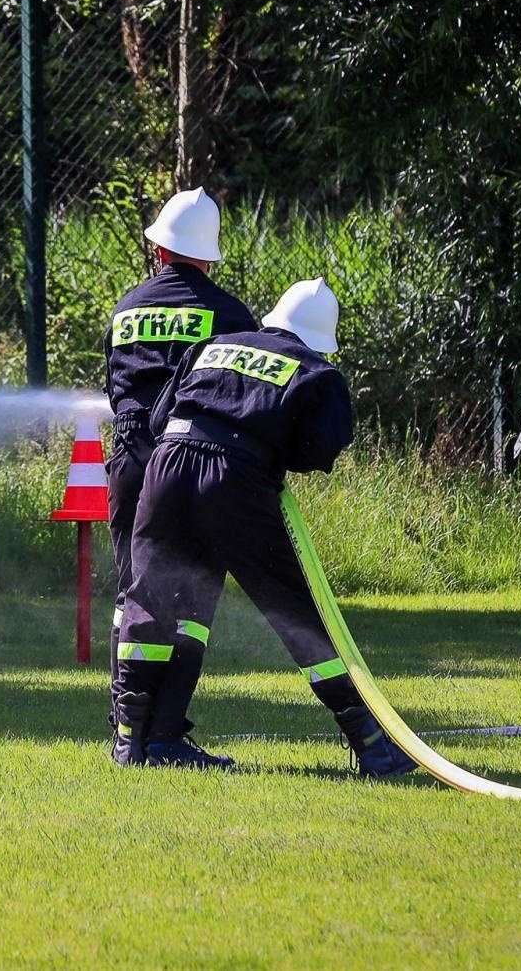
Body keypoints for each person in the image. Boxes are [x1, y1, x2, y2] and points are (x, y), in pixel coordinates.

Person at [112, 277, 417, 777]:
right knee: (296, 611)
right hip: (234, 480)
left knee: (151, 601)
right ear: (319, 337)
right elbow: (319, 449)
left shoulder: (214, 346)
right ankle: (372, 745)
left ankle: (135, 741)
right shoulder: (316, 371)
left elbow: (161, 415)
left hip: (164, 469)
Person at [103, 187, 256, 764]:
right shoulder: (230, 313)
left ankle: (126, 733)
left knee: (134, 599)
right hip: (191, 469)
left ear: (159, 249)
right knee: (190, 604)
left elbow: (113, 388)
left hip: (130, 463)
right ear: (208, 256)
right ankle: (164, 737)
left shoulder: (125, 308)